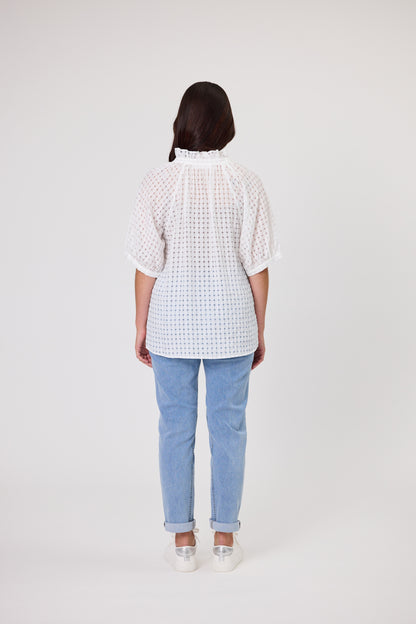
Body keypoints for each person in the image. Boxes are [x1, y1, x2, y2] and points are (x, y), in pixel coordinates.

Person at [124, 81, 282, 572]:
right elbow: (257, 267)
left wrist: (140, 326)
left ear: (182, 122)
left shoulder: (158, 181)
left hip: (170, 326)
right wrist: (259, 328)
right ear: (225, 125)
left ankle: (183, 544)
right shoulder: (246, 183)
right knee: (229, 430)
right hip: (232, 326)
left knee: (174, 429)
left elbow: (146, 266)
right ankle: (225, 542)